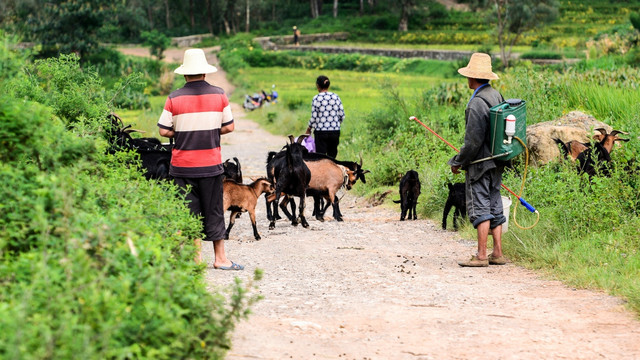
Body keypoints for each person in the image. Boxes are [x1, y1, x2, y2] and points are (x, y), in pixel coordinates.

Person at [157, 48, 243, 270]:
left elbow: (163, 131)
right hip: (210, 165)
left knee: (188, 211)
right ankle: (220, 259)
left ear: (185, 74)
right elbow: (230, 126)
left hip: (182, 167)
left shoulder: (173, 97)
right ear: (204, 73)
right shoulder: (219, 94)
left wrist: (184, 132)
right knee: (214, 210)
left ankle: (193, 259)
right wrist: (209, 132)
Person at [448, 53, 507, 267]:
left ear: (472, 78)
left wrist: (458, 161)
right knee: (495, 203)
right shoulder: (496, 96)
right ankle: (497, 252)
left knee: (481, 207)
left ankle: (482, 255)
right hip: (497, 161)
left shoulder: (476, 104)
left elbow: (472, 143)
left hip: (480, 164)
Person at [305, 75, 345, 158]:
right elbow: (342, 115)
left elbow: (314, 117)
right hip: (335, 131)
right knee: (332, 158)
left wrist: (309, 128)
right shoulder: (336, 97)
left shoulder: (316, 98)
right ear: (328, 85)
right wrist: (335, 124)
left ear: (317, 85)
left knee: (321, 158)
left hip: (321, 132)